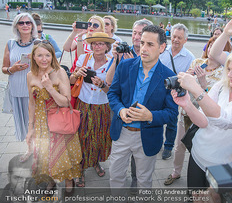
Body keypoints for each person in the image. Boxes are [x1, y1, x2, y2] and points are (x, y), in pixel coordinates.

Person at [172, 48, 232, 189]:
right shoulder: (221, 86)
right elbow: (203, 121)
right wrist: (187, 104)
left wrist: (196, 89)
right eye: (228, 69)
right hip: (198, 156)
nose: (229, 74)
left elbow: (224, 120)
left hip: (224, 168)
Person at [107, 25, 178, 188]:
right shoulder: (125, 66)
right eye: (142, 42)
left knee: (144, 180)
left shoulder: (169, 77)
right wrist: (120, 109)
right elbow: (112, 94)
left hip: (148, 136)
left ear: (162, 47)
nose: (143, 48)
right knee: (116, 176)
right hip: (122, 132)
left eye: (150, 44)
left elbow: (172, 113)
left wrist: (150, 116)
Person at [164, 36, 228, 186]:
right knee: (180, 144)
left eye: (217, 46)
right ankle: (176, 172)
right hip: (186, 111)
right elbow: (184, 86)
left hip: (205, 117)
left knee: (197, 145)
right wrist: (187, 76)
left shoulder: (223, 73)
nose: (212, 48)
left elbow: (215, 102)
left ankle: (199, 173)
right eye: (211, 45)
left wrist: (203, 84)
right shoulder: (197, 62)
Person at [26, 41, 82, 193]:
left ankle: (69, 180)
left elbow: (65, 102)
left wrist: (50, 87)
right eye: (40, 55)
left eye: (47, 55)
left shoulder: (59, 73)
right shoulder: (30, 75)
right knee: (45, 154)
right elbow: (32, 103)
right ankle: (50, 180)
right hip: (41, 124)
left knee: (63, 154)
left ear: (52, 56)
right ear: (34, 57)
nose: (44, 59)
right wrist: (30, 128)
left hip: (58, 121)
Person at [69, 32, 114, 187]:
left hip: (102, 105)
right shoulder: (84, 58)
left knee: (99, 135)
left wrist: (103, 85)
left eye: (101, 43)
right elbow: (71, 80)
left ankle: (94, 161)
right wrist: (76, 73)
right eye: (95, 43)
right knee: (82, 136)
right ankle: (80, 168)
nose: (97, 46)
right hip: (83, 104)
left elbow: (113, 91)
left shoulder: (111, 63)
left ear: (107, 46)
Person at [159, 23, 195, 160]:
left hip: (174, 94)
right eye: (174, 36)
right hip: (158, 89)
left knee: (172, 121)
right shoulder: (162, 50)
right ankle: (157, 143)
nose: (176, 40)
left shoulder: (189, 57)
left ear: (185, 40)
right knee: (155, 117)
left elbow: (190, 78)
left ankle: (168, 147)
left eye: (179, 37)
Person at [1, 13, 38, 143]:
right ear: (16, 26)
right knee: (21, 123)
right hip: (16, 89)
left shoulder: (38, 43)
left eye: (28, 22)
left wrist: (35, 59)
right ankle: (29, 149)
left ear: (33, 25)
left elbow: (49, 65)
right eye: (21, 23)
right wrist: (12, 69)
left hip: (33, 90)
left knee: (34, 122)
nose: (25, 25)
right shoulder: (11, 44)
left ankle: (37, 150)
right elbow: (4, 68)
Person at [105, 19, 153, 86]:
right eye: (134, 33)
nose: (136, 37)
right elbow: (109, 81)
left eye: (140, 34)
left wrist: (132, 65)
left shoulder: (152, 56)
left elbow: (145, 85)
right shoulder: (124, 52)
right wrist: (115, 60)